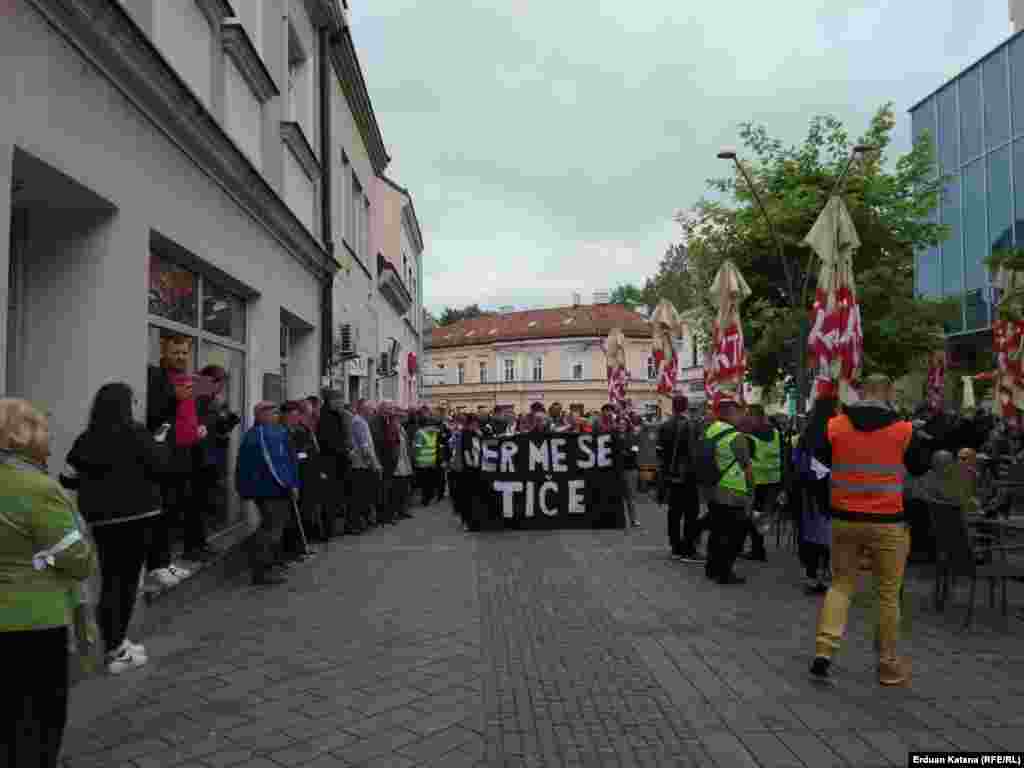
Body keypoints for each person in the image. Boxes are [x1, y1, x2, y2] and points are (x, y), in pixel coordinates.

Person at [810, 374, 923, 686]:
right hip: (888, 522)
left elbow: (817, 469)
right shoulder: (903, 430)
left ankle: (824, 650)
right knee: (887, 594)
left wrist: (827, 503)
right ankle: (887, 665)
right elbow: (918, 467)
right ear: (888, 393)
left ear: (860, 393)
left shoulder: (835, 426)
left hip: (844, 519)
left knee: (841, 585)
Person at [2, 398, 97, 767]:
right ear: (27, 437)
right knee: (38, 718)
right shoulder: (36, 488)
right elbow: (76, 559)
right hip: (33, 620)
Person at [60, 383, 170, 674]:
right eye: (132, 401)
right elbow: (160, 467)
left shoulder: (87, 438)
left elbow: (67, 478)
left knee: (111, 581)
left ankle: (116, 642)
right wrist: (158, 443)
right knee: (125, 585)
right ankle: (116, 649)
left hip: (102, 523)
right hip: (138, 518)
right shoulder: (137, 433)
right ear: (125, 405)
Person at [236, 402, 299, 586]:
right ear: (261, 414)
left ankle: (269, 565)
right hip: (270, 488)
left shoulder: (266, 432)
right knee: (271, 528)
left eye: (276, 412)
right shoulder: (265, 433)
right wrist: (290, 484)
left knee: (272, 526)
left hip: (267, 487)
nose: (276, 415)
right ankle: (262, 570)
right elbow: (277, 462)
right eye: (273, 412)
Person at [702, 397, 755, 585]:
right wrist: (751, 491)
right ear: (729, 413)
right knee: (734, 534)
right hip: (733, 490)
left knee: (716, 531)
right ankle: (725, 572)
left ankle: (712, 568)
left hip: (713, 488)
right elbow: (747, 467)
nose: (741, 416)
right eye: (738, 412)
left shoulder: (710, 430)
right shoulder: (735, 436)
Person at [797, 397, 837, 595]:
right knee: (827, 534)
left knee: (811, 534)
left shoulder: (807, 432)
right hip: (829, 490)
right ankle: (824, 575)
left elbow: (798, 460)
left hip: (808, 490)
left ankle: (811, 576)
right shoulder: (834, 431)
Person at [658, 394, 702, 562]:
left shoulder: (665, 426)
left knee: (674, 513)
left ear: (673, 406)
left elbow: (660, 452)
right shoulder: (691, 425)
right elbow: (693, 452)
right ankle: (688, 549)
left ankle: (675, 547)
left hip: (671, 474)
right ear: (686, 407)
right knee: (691, 513)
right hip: (688, 475)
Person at [741, 405, 783, 562]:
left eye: (748, 416)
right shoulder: (777, 433)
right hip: (773, 481)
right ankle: (758, 549)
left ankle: (757, 550)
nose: (746, 419)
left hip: (755, 481)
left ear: (755, 416)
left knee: (752, 515)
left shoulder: (749, 435)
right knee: (760, 515)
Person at [280, 401, 319, 557]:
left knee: (304, 512)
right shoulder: (289, 431)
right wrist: (304, 454)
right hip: (298, 476)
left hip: (305, 475)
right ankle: (293, 549)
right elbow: (296, 454)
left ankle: (299, 546)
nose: (297, 419)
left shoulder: (300, 429)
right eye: (294, 416)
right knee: (296, 515)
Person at [317, 391, 351, 537]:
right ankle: (327, 529)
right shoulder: (326, 418)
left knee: (335, 498)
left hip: (337, 462)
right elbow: (328, 442)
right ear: (331, 401)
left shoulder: (337, 415)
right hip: (329, 463)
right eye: (339, 400)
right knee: (329, 499)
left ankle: (331, 528)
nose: (342, 403)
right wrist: (344, 451)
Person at [349, 399, 382, 528]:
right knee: (359, 496)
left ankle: (361, 521)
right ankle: (355, 523)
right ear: (363, 409)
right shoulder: (359, 422)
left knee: (363, 495)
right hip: (361, 464)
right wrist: (374, 464)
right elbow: (364, 446)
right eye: (370, 409)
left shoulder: (362, 421)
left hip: (364, 463)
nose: (372, 412)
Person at [413, 416, 442, 505]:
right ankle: (425, 499)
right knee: (425, 483)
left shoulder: (434, 433)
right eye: (433, 426)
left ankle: (428, 497)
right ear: (427, 425)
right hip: (422, 463)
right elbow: (416, 448)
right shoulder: (420, 434)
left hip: (431, 462)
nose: (435, 428)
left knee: (430, 483)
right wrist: (416, 460)